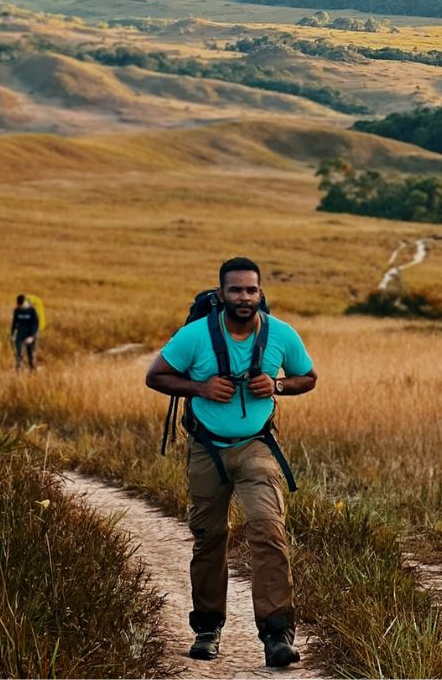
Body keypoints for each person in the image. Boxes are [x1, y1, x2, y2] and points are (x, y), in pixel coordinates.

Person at [145, 257, 316, 668]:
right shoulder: (195, 336)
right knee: (209, 537)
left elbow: (307, 377)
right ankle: (208, 628)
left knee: (268, 531)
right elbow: (156, 376)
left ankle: (277, 635)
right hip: (207, 448)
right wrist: (200, 386)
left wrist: (276, 384)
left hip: (257, 446)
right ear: (220, 294)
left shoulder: (281, 335)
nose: (244, 297)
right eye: (236, 290)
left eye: (251, 290)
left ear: (261, 294)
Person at [9, 293, 40, 371]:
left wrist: (31, 337)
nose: (20, 306)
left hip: (30, 334)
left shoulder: (33, 311)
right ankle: (18, 372)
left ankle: (32, 371)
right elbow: (14, 323)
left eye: (21, 304)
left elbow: (35, 325)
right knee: (19, 354)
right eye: (18, 305)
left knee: (31, 355)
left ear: (25, 302)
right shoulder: (17, 310)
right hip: (20, 334)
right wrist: (12, 334)